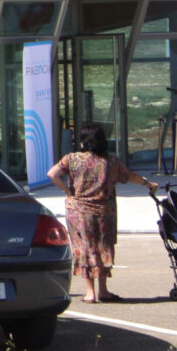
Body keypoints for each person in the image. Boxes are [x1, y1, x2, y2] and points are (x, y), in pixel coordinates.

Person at [47, 123, 154, 304]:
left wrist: (67, 190)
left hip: (78, 211)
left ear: (83, 142)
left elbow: (52, 174)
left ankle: (90, 293)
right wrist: (148, 184)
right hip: (104, 211)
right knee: (103, 247)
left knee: (85, 248)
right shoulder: (110, 162)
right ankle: (103, 290)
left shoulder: (72, 159)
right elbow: (129, 176)